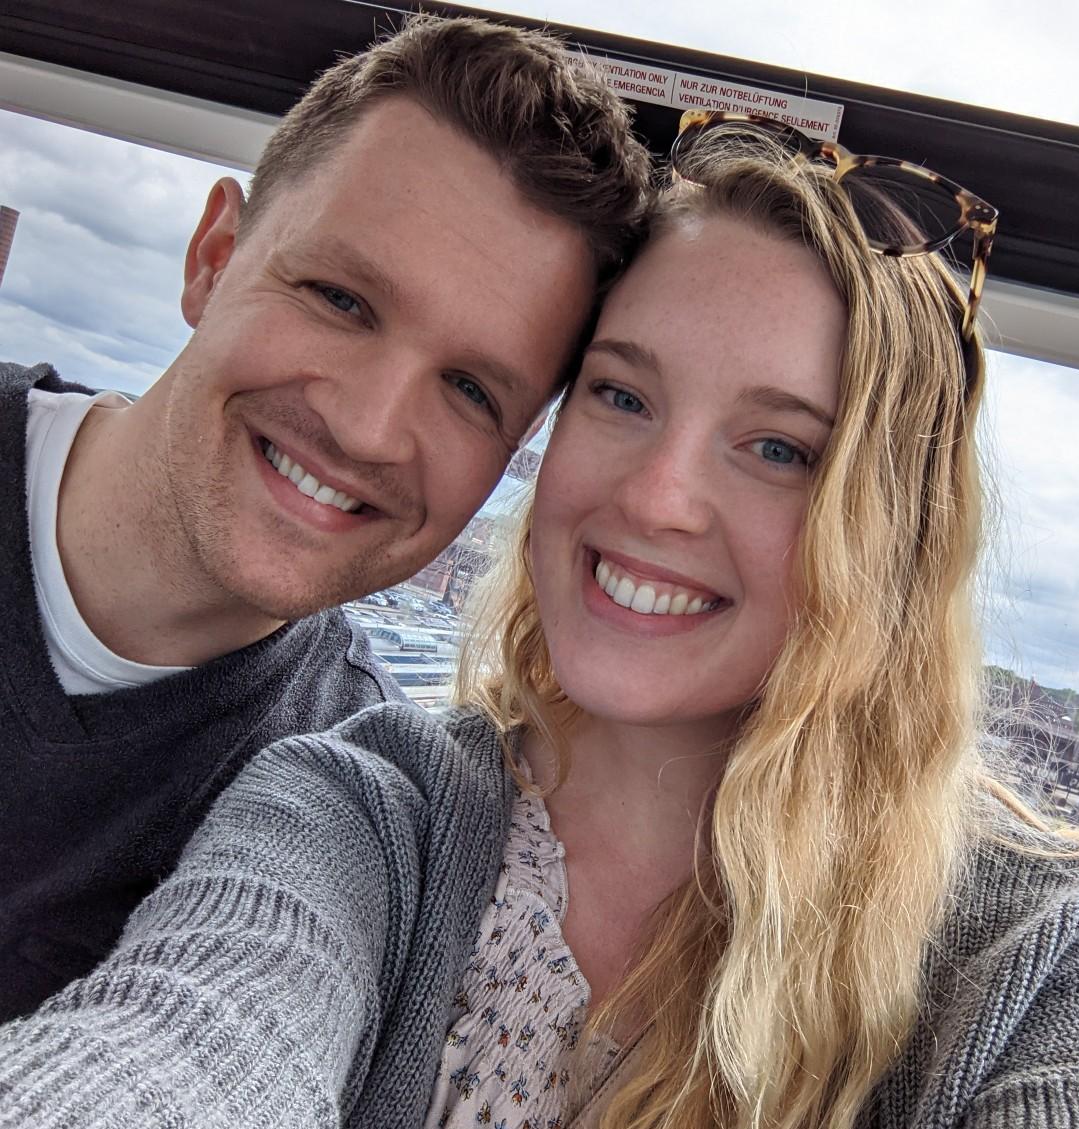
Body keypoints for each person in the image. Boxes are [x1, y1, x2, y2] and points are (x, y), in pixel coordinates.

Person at [1, 116, 1079, 1129]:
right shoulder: (363, 809)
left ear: (892, 527)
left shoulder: (1054, 967)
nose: (655, 496)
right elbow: (180, 1057)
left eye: (780, 448)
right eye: (623, 394)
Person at [0, 14, 651, 1020]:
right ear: (213, 257)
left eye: (473, 391)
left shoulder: (351, 800)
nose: (370, 428)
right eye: (342, 300)